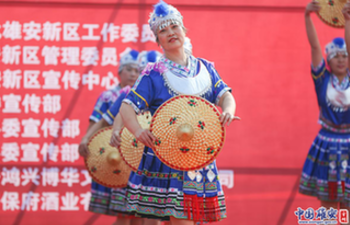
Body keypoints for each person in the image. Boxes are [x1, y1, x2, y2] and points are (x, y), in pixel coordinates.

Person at [119, 1, 239, 224]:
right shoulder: (154, 74)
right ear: (158, 41)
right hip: (167, 158)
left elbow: (225, 95)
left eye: (174, 27)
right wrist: (138, 132)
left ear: (184, 30)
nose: (170, 33)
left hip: (199, 156)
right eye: (163, 31)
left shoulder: (205, 68)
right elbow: (127, 107)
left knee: (196, 220)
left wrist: (228, 111)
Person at [78, 48, 140, 225]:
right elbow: (99, 121)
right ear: (119, 71)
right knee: (124, 214)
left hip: (138, 157)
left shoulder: (144, 95)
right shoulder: (110, 96)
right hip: (117, 156)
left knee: (138, 215)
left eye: (137, 70)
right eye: (129, 69)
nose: (133, 73)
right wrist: (86, 139)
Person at [299, 1, 350, 212]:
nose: (340, 60)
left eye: (344, 56)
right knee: (328, 208)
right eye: (336, 56)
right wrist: (307, 17)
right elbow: (315, 47)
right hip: (327, 143)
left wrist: (347, 21)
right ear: (328, 60)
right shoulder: (322, 79)